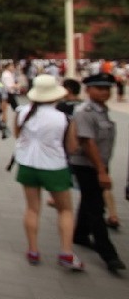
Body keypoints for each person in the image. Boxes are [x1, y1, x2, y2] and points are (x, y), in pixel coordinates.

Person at [13, 75, 84, 270]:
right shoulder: (64, 118)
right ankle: (66, 253)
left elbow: (18, 135)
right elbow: (72, 147)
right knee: (65, 210)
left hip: (27, 164)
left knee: (32, 209)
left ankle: (33, 250)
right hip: (54, 166)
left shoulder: (21, 112)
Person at [69, 73, 126, 273]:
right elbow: (87, 142)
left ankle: (80, 234)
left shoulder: (102, 110)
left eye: (107, 88)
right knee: (96, 208)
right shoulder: (85, 112)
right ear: (88, 90)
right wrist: (101, 171)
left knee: (89, 200)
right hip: (88, 165)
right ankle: (109, 254)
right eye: (99, 88)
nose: (104, 92)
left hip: (99, 163)